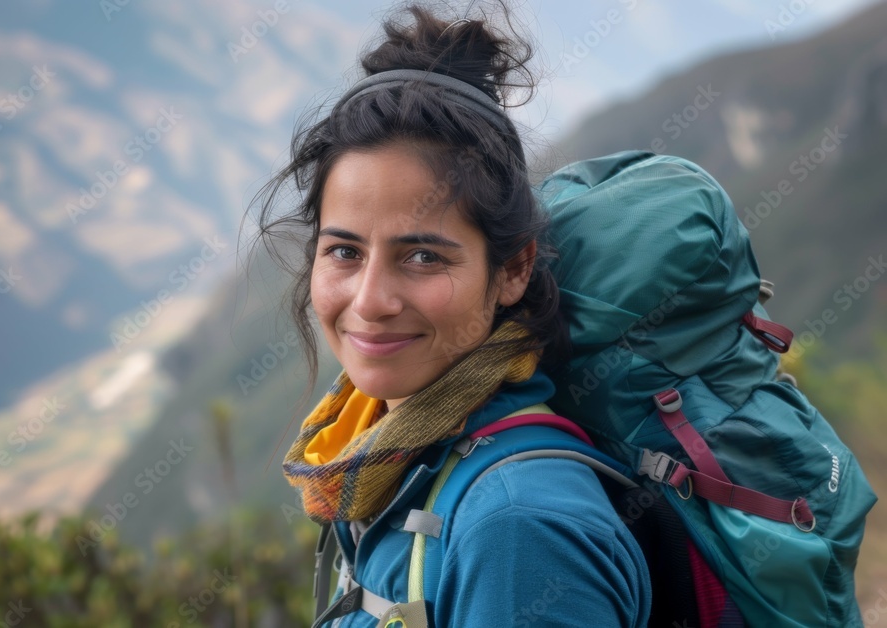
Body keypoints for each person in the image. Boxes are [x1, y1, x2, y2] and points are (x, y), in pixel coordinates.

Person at [254, 2, 651, 626]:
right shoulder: (385, 464)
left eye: (421, 256)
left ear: (513, 270)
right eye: (344, 251)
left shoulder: (518, 529)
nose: (369, 301)